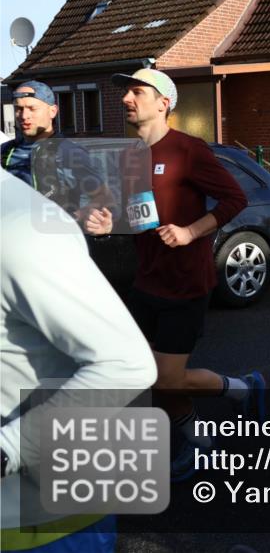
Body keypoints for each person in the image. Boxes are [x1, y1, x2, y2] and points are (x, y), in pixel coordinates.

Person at [112, 68, 262, 482]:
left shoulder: (188, 149)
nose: (127, 97)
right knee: (145, 376)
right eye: (126, 91)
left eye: (137, 91)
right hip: (145, 282)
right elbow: (136, 214)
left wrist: (190, 231)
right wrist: (107, 219)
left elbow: (235, 199)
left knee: (166, 379)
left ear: (164, 103)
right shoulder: (129, 156)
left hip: (184, 285)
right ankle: (206, 434)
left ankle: (240, 390)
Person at [1, 168, 157, 552]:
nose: (23, 113)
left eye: (31, 105)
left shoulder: (20, 229)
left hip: (40, 517)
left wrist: (8, 448)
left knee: (174, 378)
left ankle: (236, 393)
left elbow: (128, 365)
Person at [2, 80, 114, 233]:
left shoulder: (69, 152)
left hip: (53, 245)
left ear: (53, 111)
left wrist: (76, 217)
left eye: (32, 108)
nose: (24, 115)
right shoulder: (5, 151)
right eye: (18, 109)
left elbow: (104, 197)